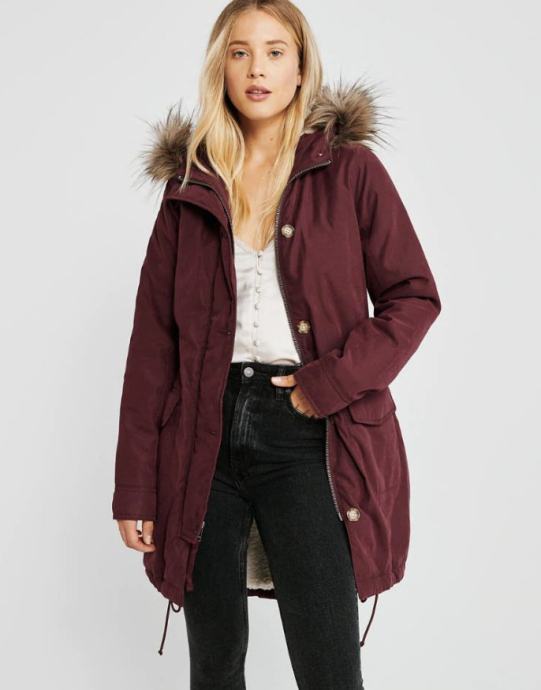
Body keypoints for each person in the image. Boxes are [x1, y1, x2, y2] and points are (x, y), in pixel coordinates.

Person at [112, 1, 442, 688]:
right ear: (220, 67)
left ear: (300, 67)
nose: (256, 69)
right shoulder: (190, 184)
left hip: (308, 431)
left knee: (327, 665)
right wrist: (135, 487)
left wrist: (331, 383)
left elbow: (414, 297)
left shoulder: (349, 171)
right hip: (202, 437)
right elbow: (153, 347)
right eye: (239, 52)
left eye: (273, 51)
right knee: (215, 662)